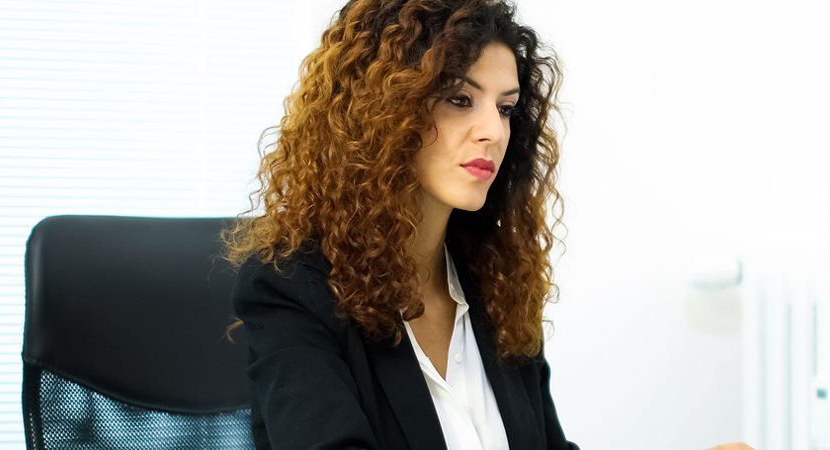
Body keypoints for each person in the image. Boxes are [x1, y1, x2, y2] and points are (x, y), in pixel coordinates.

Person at [226, 0, 754, 449]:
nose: (493, 132)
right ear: (380, 111)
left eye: (505, 109)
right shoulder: (294, 288)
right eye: (459, 99)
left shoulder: (493, 283)